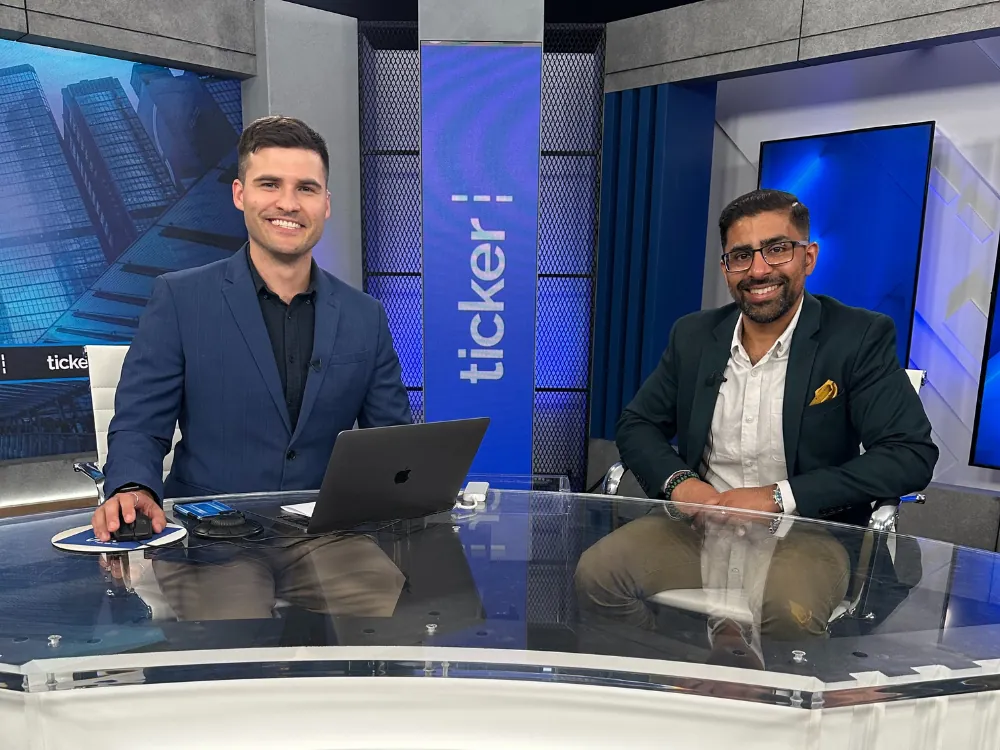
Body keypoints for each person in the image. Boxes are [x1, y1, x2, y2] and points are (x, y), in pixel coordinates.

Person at [575, 188, 938, 642]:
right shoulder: (694, 335)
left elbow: (909, 454)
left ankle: (766, 707)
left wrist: (777, 496)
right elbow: (638, 424)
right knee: (597, 574)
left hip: (806, 532)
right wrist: (680, 484)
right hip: (699, 528)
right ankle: (669, 680)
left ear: (808, 257)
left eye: (777, 249)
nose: (759, 269)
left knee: (788, 611)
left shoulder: (857, 337)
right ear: (726, 267)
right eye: (741, 256)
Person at [91, 115, 411, 541]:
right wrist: (132, 485)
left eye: (306, 189)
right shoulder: (180, 299)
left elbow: (392, 443)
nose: (288, 203)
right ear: (240, 195)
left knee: (382, 599)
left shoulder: (365, 315)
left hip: (328, 535)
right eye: (270, 184)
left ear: (326, 204)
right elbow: (140, 424)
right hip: (213, 536)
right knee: (241, 603)